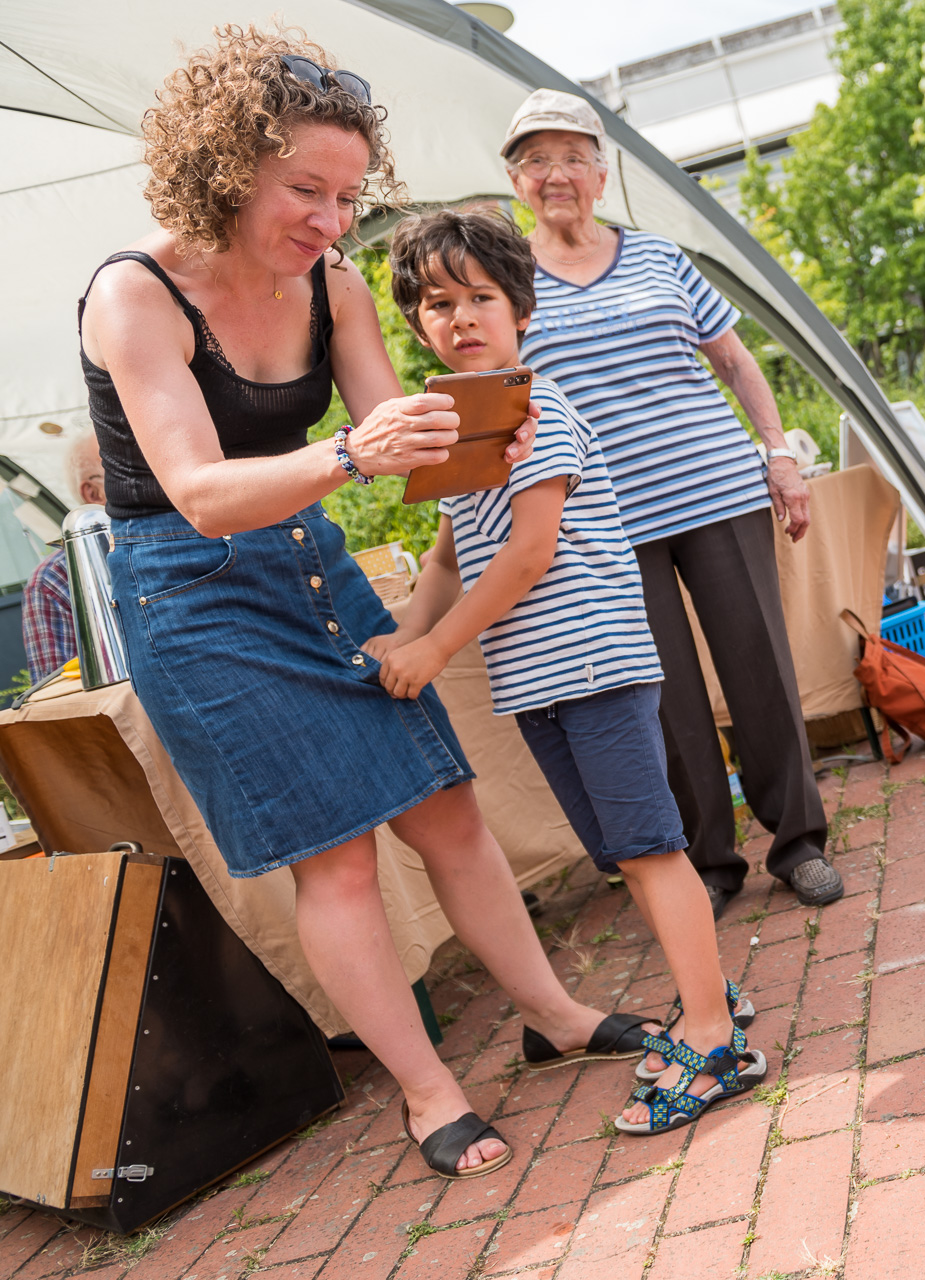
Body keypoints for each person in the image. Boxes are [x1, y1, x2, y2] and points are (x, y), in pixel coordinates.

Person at [80, 27, 658, 1180]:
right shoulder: (134, 295)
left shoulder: (333, 283)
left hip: (308, 557)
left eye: (348, 196)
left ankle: (553, 1014)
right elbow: (200, 492)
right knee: (336, 859)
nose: (332, 221)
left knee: (448, 806)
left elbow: (404, 438)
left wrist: (491, 427)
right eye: (307, 190)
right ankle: (429, 1091)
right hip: (194, 597)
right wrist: (353, 454)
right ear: (227, 165)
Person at [375, 208, 763, 1130]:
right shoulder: (467, 429)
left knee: (650, 850)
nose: (462, 317)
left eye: (481, 297)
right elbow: (448, 557)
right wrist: (405, 632)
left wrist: (434, 650)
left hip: (592, 663)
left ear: (521, 309)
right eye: (439, 303)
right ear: (418, 325)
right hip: (539, 681)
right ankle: (709, 995)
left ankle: (714, 1040)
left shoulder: (536, 410)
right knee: (627, 854)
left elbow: (528, 552)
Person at [501, 90, 841, 919]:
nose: (557, 175)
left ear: (602, 173)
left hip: (717, 490)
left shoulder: (659, 256)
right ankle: (709, 862)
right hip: (605, 525)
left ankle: (799, 843)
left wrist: (779, 454)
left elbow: (736, 362)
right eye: (538, 160)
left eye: (574, 157)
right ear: (515, 180)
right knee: (664, 698)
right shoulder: (508, 284)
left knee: (760, 670)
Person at [21, 433, 106, 681]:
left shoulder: (191, 539)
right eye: (126, 469)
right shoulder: (54, 579)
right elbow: (60, 690)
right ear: (93, 493)